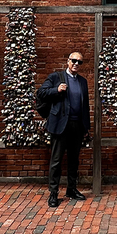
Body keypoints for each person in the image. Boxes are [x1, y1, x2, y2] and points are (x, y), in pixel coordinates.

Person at [38, 51, 91, 208]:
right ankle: (53, 193)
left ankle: (71, 189)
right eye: (73, 60)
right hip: (60, 125)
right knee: (56, 160)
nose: (76, 64)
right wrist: (56, 90)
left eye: (79, 62)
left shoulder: (83, 81)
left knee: (74, 159)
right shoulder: (56, 77)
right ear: (68, 61)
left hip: (77, 125)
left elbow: (85, 105)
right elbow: (41, 93)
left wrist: (86, 126)